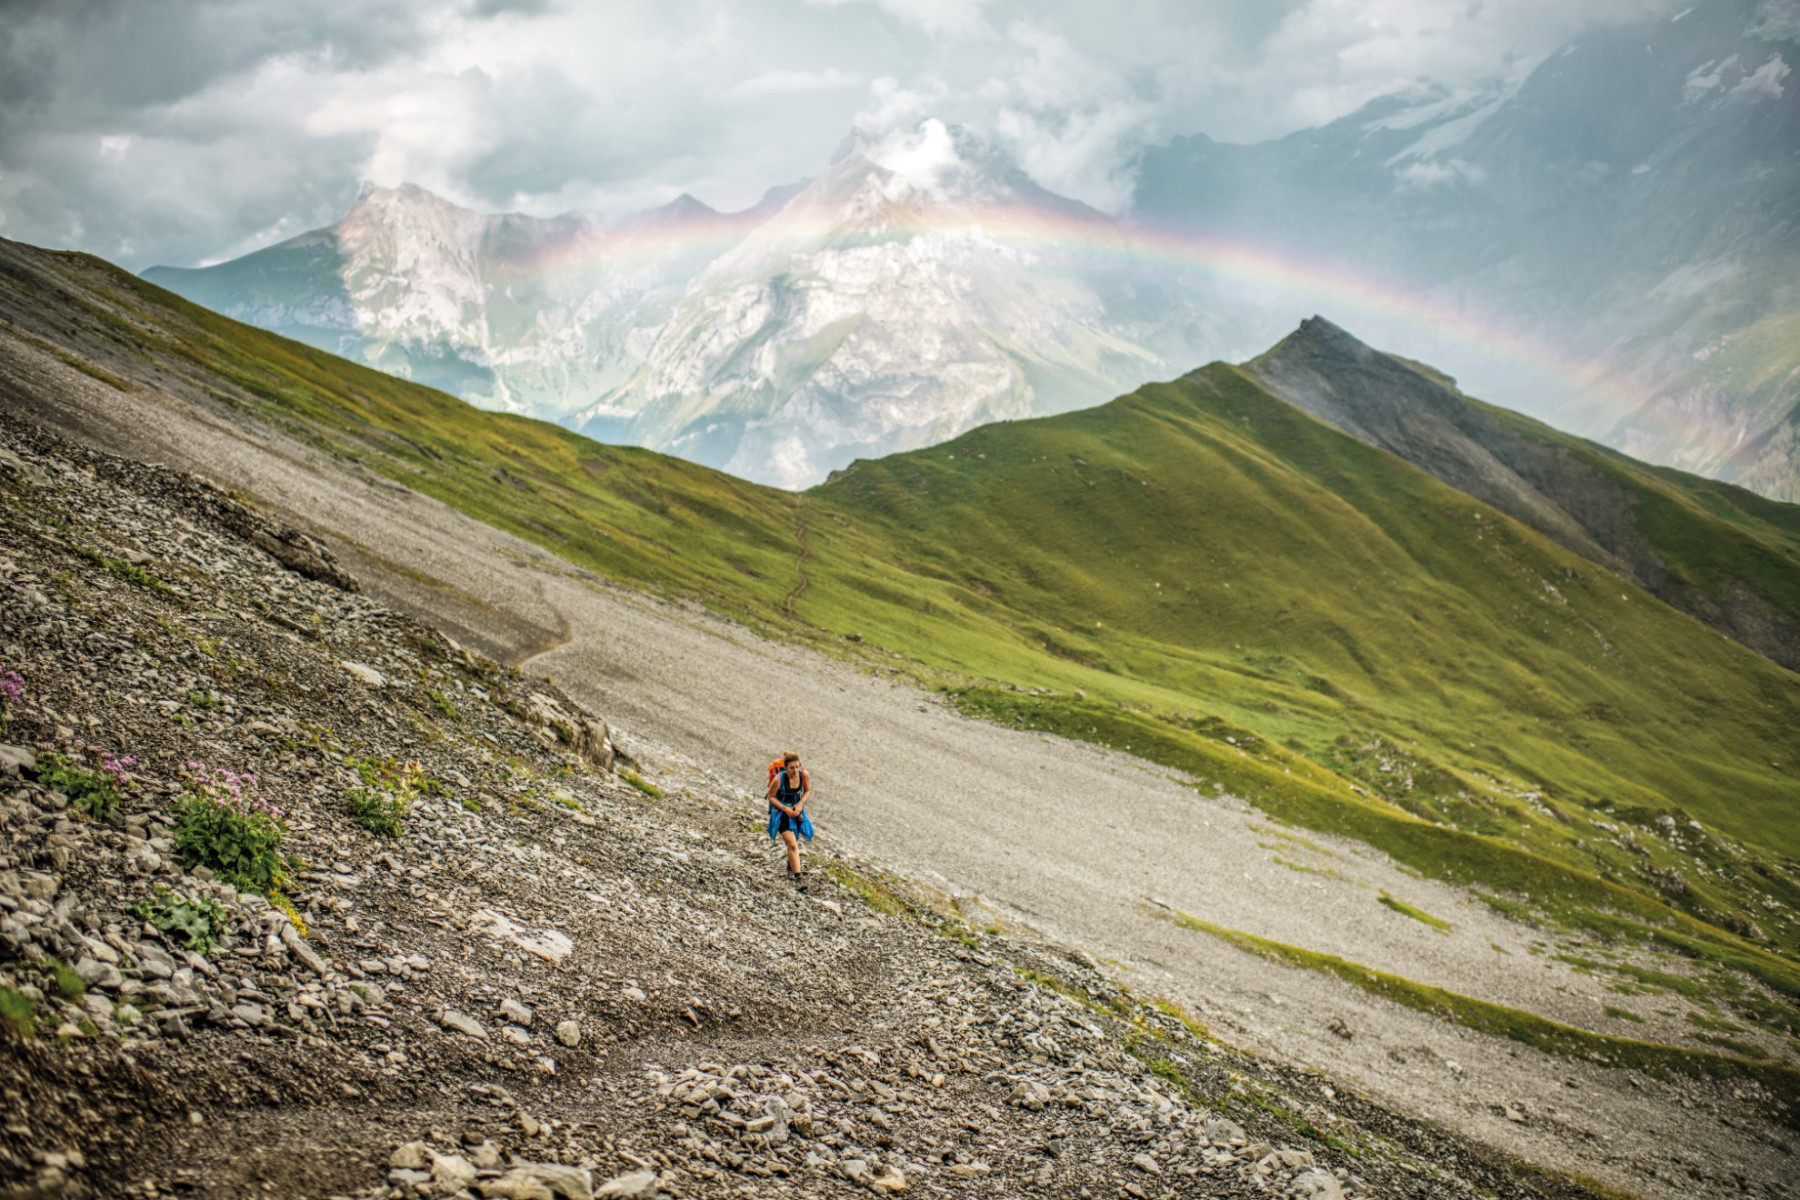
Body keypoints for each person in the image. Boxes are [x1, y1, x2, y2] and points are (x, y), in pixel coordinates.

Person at [766, 750, 813, 884]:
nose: (795, 770)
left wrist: (800, 804)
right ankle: (798, 879)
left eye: (797, 767)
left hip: (796, 811)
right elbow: (771, 797)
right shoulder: (778, 780)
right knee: (792, 844)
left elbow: (808, 790)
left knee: (795, 839)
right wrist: (785, 809)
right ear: (785, 768)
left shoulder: (804, 775)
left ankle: (791, 864)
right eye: (792, 768)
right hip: (781, 814)